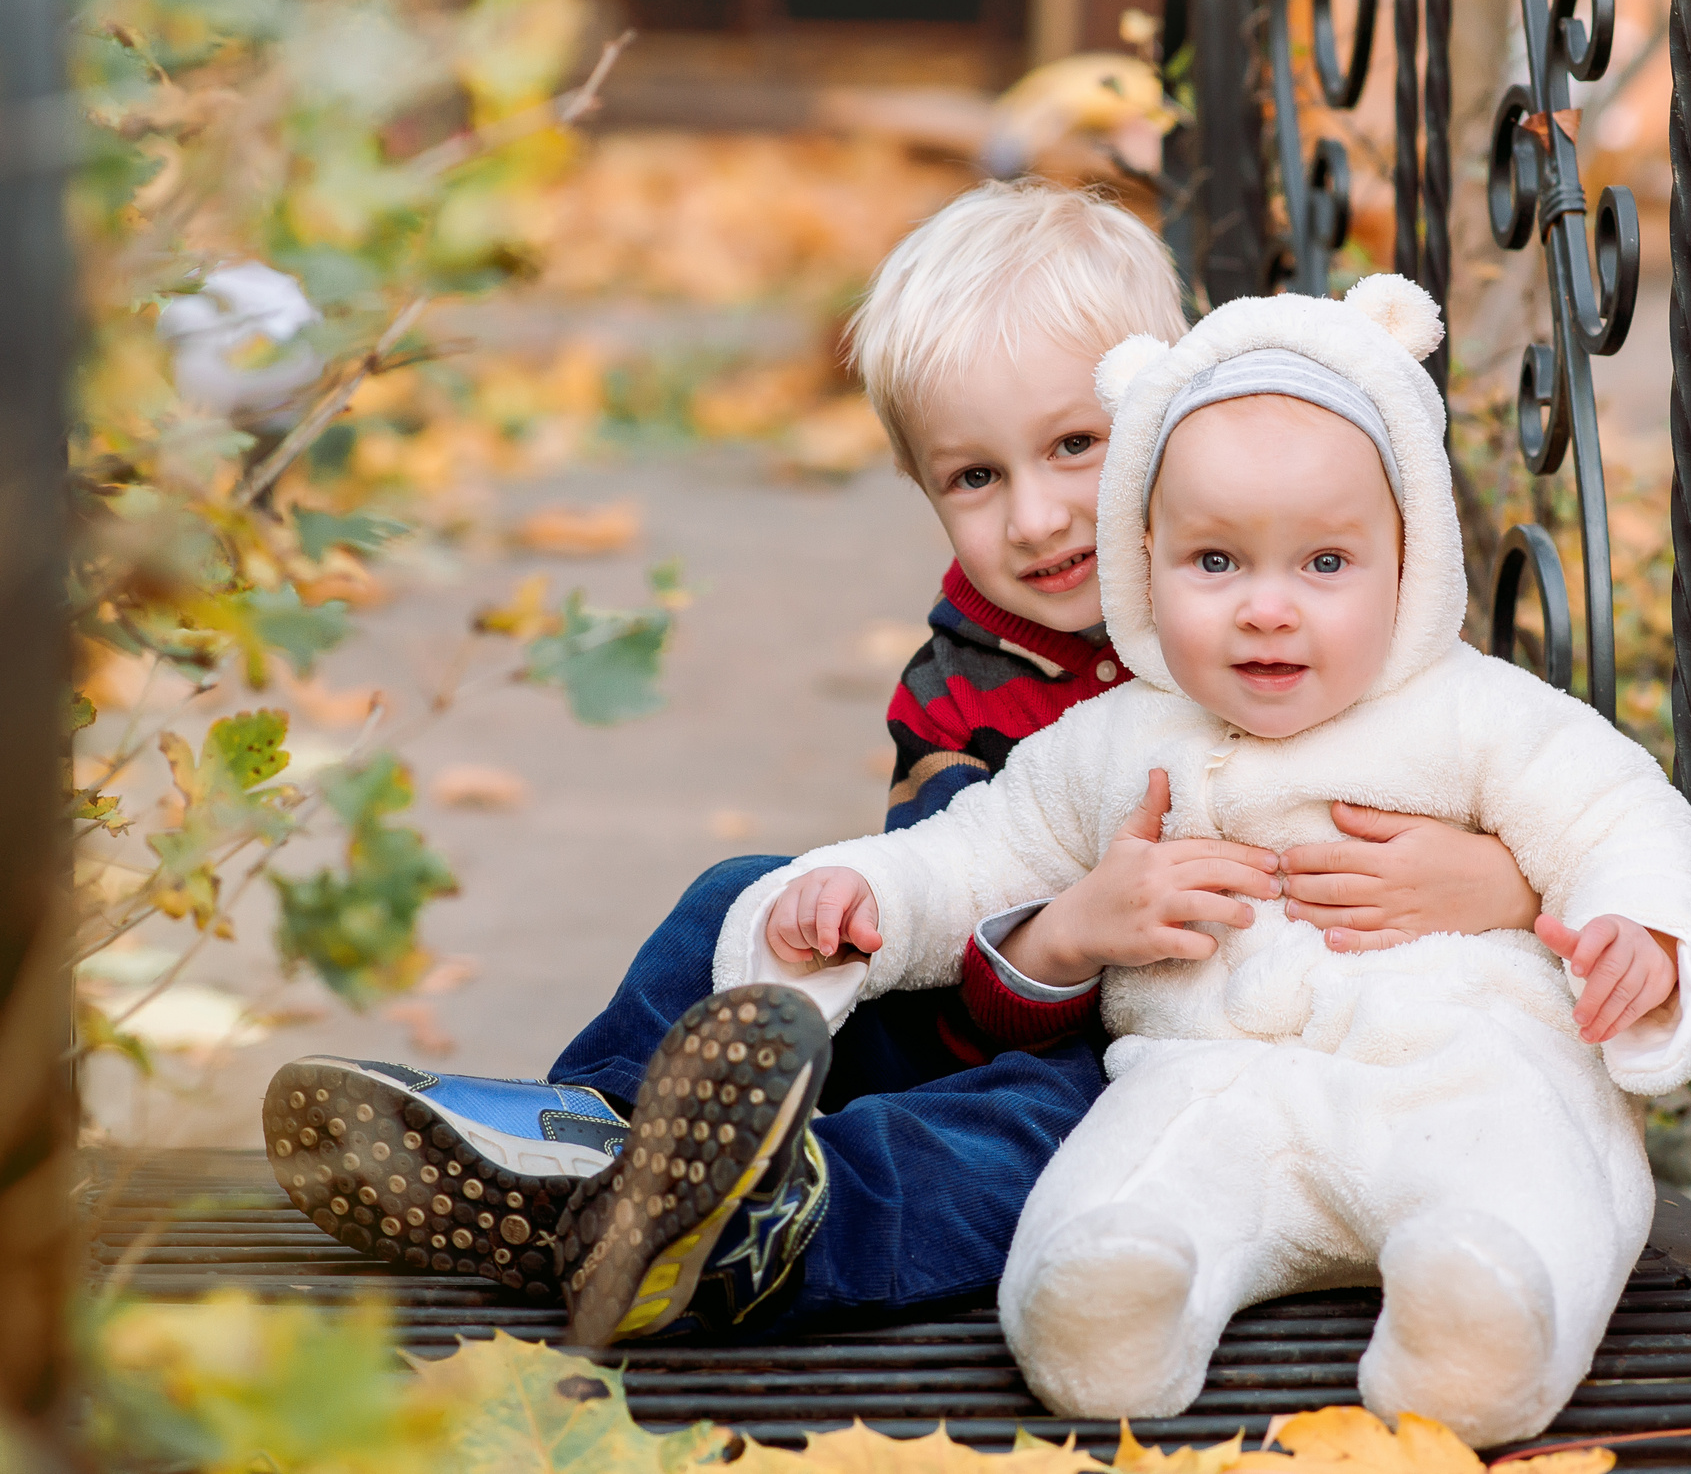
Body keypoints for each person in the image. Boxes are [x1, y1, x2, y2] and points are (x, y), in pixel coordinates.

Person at [259, 183, 1542, 1328]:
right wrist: (966, 919)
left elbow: (1525, 785)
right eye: (974, 476)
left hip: (1183, 1065)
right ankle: (586, 1143)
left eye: (1073, 448)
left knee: (1009, 1137)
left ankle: (775, 1229)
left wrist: (1502, 884)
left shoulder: (1308, 614)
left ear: (1161, 420)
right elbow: (948, 918)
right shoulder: (960, 681)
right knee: (738, 897)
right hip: (1010, 999)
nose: (1034, 516)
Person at [559, 274, 1691, 1446]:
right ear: (1153, 548)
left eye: (1322, 565)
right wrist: (868, 891)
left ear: (1409, 559)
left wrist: (1632, 926)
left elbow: (1616, 815)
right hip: (1197, 1076)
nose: (1266, 610)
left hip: (1450, 1060)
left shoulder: (1473, 714)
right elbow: (980, 848)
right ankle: (599, 1160)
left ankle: (1481, 1317)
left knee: (1514, 1162)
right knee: (1109, 1192)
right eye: (1216, 564)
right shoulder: (1117, 729)